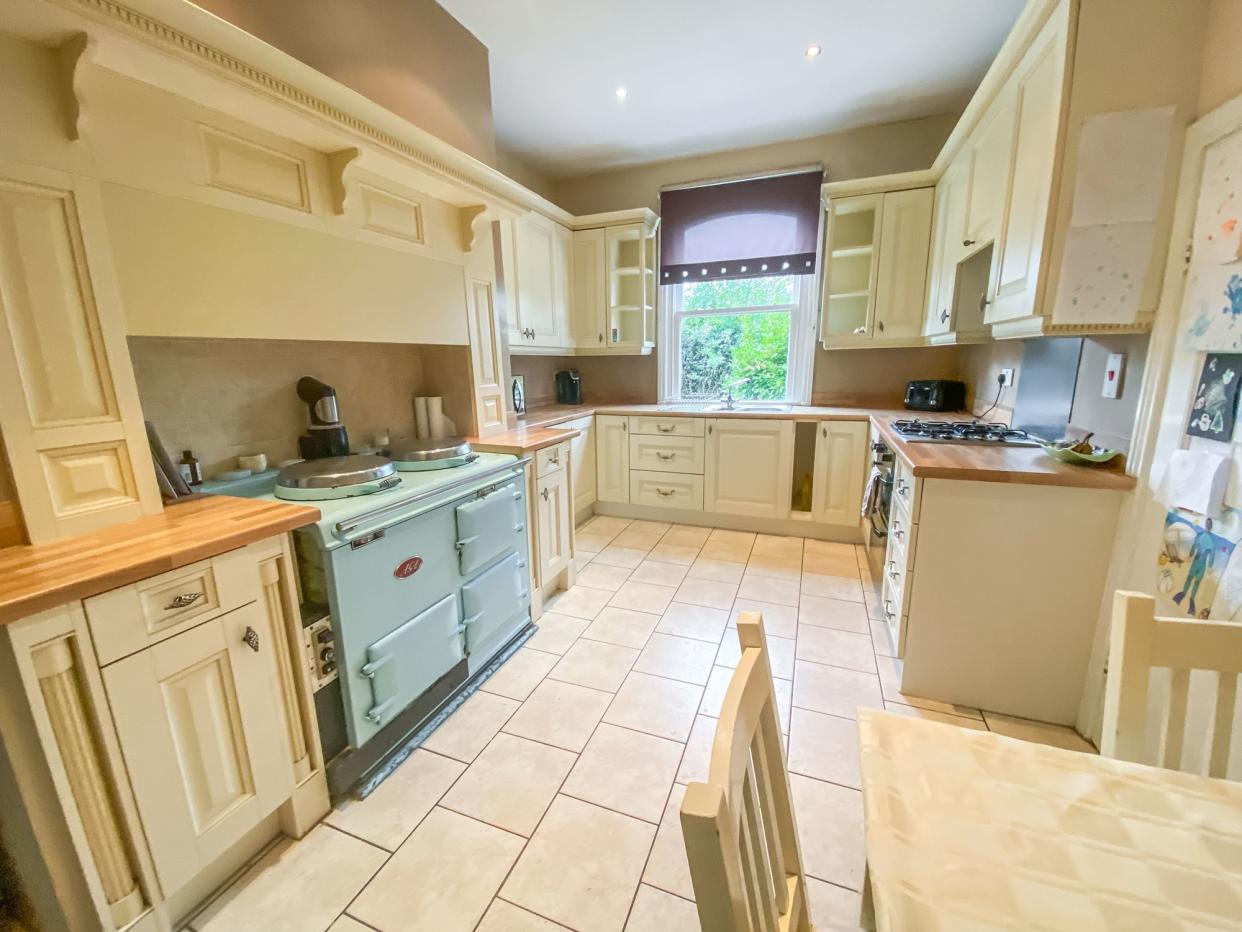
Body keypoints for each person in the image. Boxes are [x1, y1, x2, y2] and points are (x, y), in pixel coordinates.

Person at [1172, 516, 1215, 617]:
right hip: (1201, 565)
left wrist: (1190, 556)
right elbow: (1211, 556)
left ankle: (1185, 596)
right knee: (1194, 582)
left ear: (1206, 526)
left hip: (1197, 563)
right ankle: (1189, 598)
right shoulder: (1211, 542)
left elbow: (1194, 547)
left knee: (1191, 580)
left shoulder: (1200, 536)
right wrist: (1209, 566)